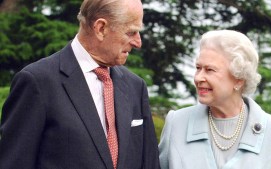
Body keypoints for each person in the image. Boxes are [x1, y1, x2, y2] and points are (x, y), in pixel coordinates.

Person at [0, 0, 160, 168]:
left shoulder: (136, 86)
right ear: (101, 28)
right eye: (131, 32)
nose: (138, 42)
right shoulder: (37, 81)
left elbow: (149, 163)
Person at [158, 30, 271, 169]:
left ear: (239, 80)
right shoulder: (176, 124)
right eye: (198, 68)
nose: (198, 78)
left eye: (210, 70)